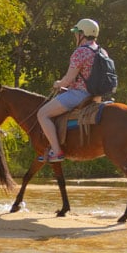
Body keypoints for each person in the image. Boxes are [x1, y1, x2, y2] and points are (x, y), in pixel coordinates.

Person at [35, 19, 105, 163]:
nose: (75, 36)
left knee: (42, 114)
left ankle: (57, 151)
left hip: (79, 95)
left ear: (82, 34)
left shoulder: (80, 52)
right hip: (96, 96)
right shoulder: (102, 51)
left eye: (77, 33)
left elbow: (68, 79)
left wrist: (58, 83)